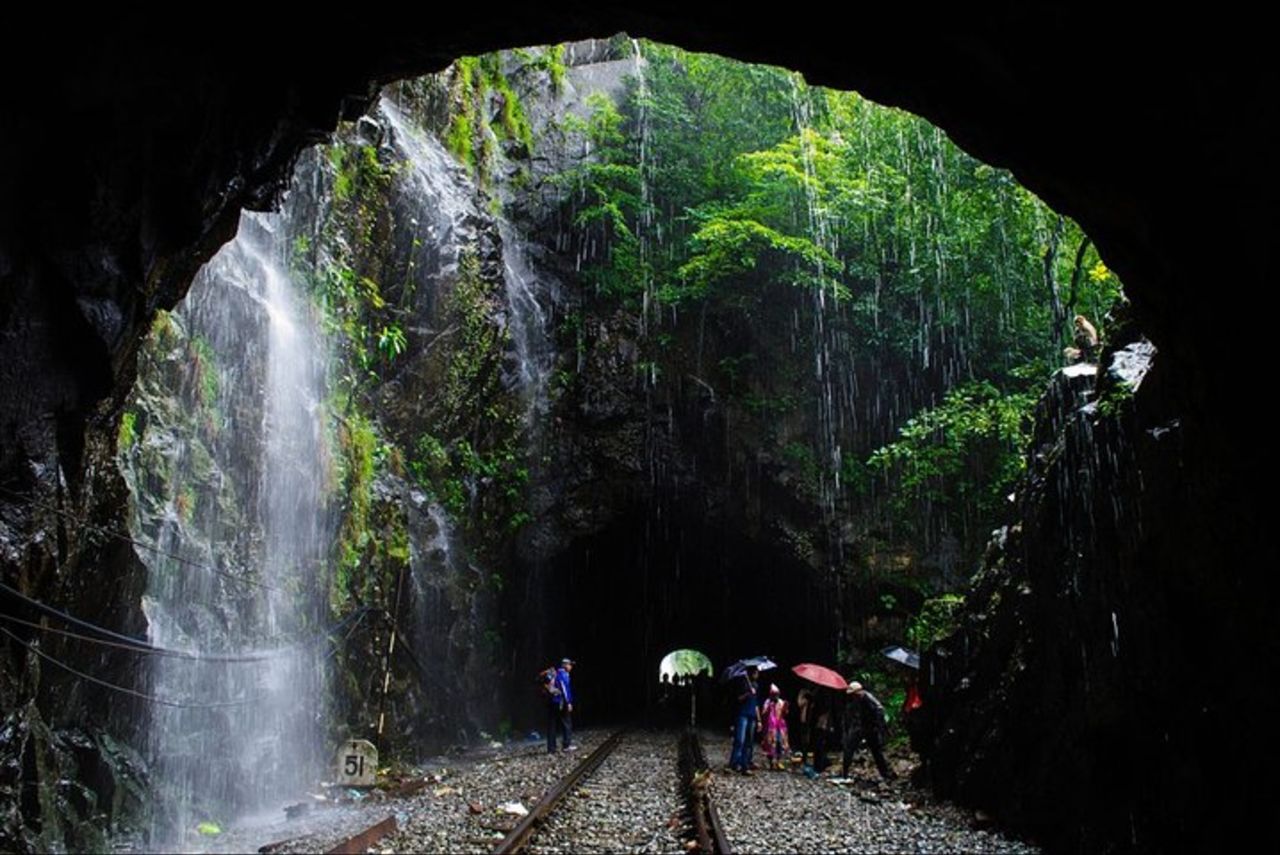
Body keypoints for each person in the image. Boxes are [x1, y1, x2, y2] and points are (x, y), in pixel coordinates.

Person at [841, 680, 895, 781]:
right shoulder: (857, 700)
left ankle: (885, 774)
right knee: (849, 747)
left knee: (876, 752)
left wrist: (879, 727)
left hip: (871, 728)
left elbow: (879, 711)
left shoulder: (868, 698)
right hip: (862, 727)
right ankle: (844, 773)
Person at [728, 665, 761, 774]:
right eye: (756, 672)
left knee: (749, 741)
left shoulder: (756, 685)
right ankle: (734, 763)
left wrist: (759, 719)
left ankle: (745, 765)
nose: (757, 674)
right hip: (743, 714)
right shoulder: (743, 684)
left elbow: (756, 704)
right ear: (751, 673)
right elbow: (738, 698)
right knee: (740, 740)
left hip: (752, 716)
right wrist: (748, 693)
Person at [547, 658, 576, 754]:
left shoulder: (553, 674)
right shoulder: (563, 674)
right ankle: (566, 745)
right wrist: (568, 702)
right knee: (567, 723)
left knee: (552, 724)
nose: (571, 667)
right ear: (565, 665)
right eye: (570, 665)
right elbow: (565, 689)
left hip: (552, 702)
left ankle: (551, 748)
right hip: (561, 702)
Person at [760, 684, 791, 769]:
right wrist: (769, 708)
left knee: (779, 743)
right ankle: (771, 762)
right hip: (770, 727)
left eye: (777, 694)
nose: (776, 696)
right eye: (774, 694)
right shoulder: (767, 702)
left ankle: (778, 761)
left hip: (780, 726)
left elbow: (785, 714)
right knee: (770, 744)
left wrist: (785, 708)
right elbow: (764, 714)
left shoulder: (781, 702)